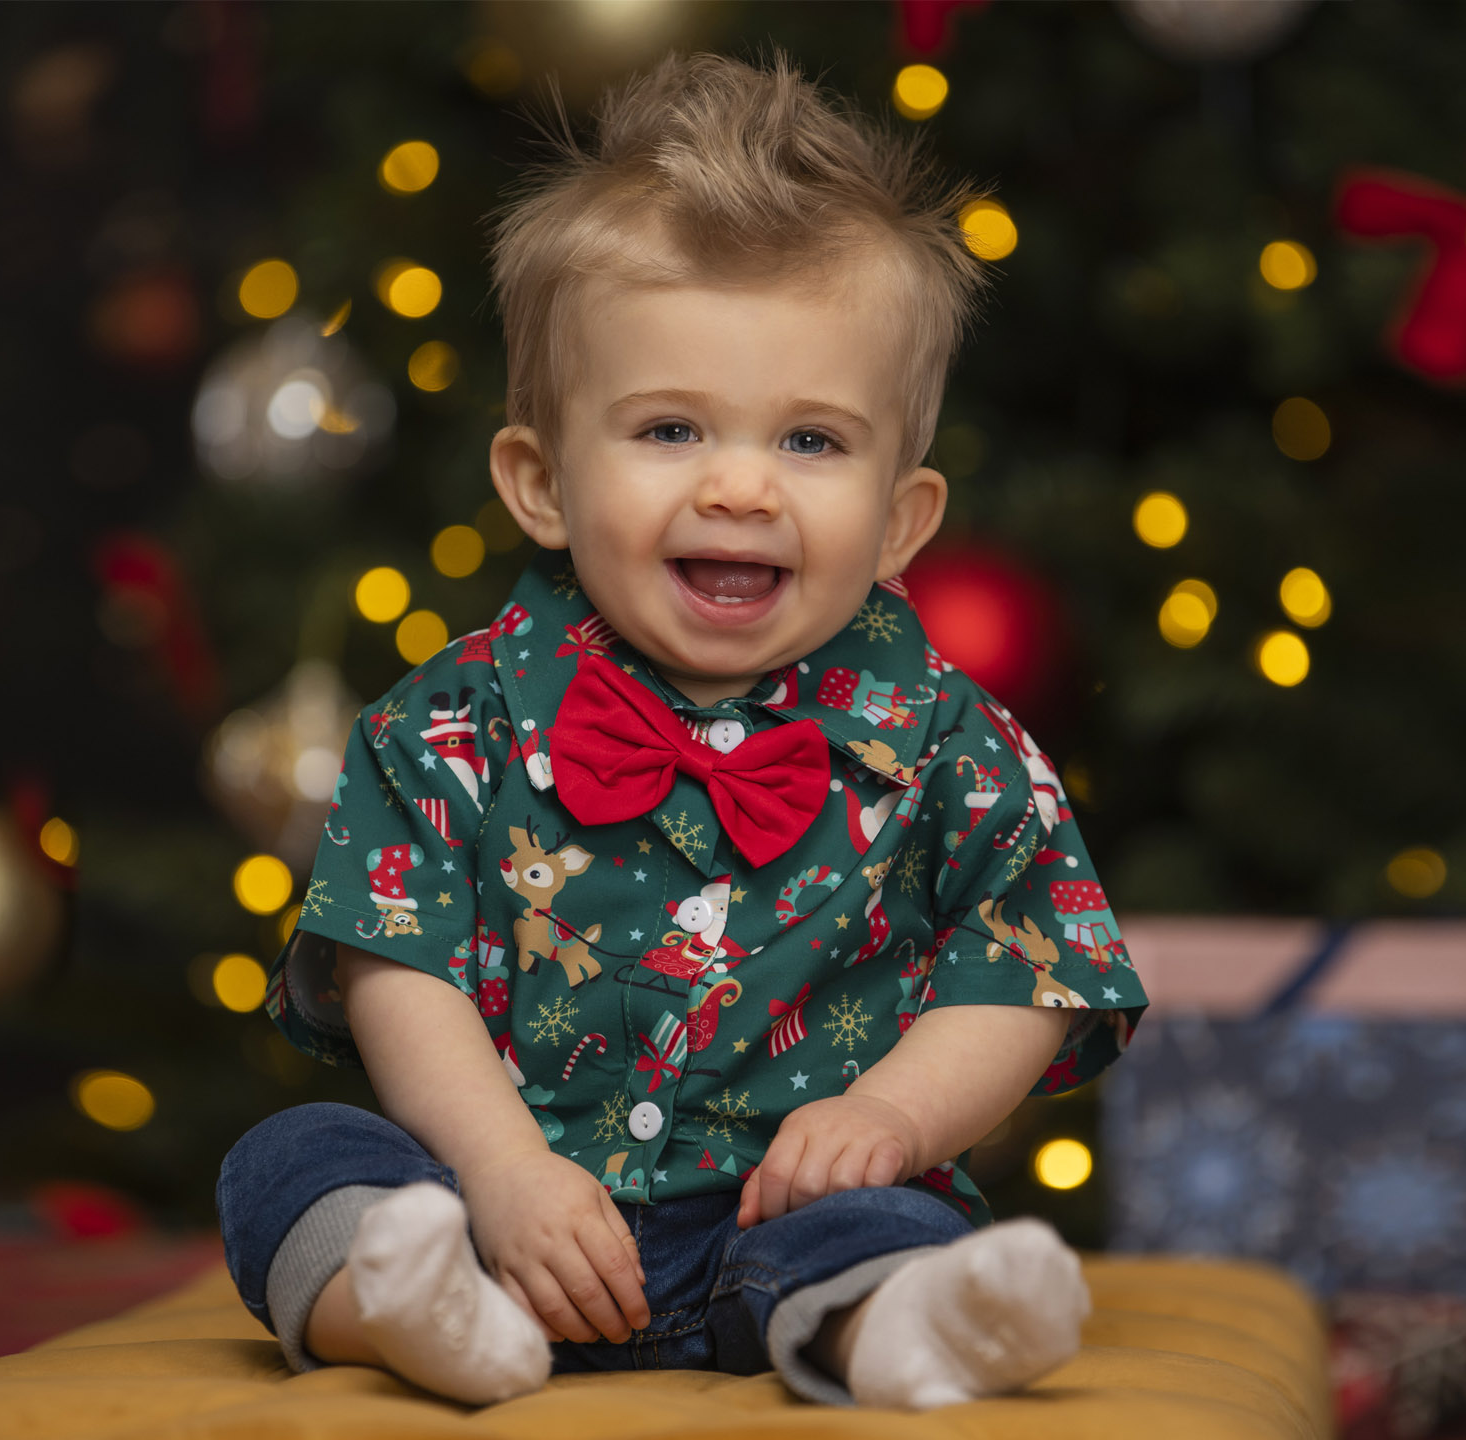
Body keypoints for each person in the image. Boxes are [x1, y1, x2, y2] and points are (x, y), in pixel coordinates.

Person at [219, 52, 1146, 1411]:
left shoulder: (953, 744)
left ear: (901, 520)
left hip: (774, 1222)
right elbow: (390, 967)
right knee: (289, 1163)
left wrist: (888, 1117)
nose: (739, 487)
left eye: (813, 443)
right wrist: (501, 1173)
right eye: (669, 427)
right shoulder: (449, 726)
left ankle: (886, 1330)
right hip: (502, 1214)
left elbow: (1027, 968)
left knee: (892, 1229)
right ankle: (410, 1312)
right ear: (541, 481)